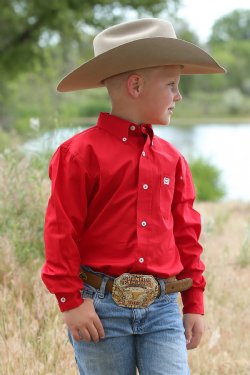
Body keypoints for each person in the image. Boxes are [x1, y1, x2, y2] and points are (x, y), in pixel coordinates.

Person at [41, 18, 225, 375]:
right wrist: (70, 301)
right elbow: (61, 232)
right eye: (171, 84)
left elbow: (187, 235)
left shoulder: (173, 160)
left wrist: (194, 302)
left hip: (163, 308)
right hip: (100, 308)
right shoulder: (78, 155)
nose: (178, 95)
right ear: (136, 85)